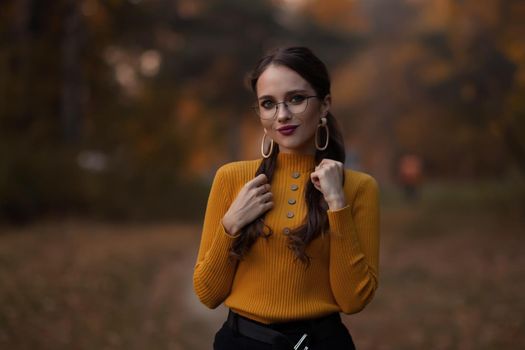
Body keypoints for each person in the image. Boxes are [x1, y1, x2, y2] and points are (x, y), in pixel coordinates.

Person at [193, 46, 380, 350]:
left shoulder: (359, 187)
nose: (282, 115)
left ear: (324, 105)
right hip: (242, 343)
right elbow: (207, 293)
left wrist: (337, 204)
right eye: (268, 104)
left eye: (296, 99)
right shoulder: (232, 178)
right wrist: (231, 224)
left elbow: (354, 300)